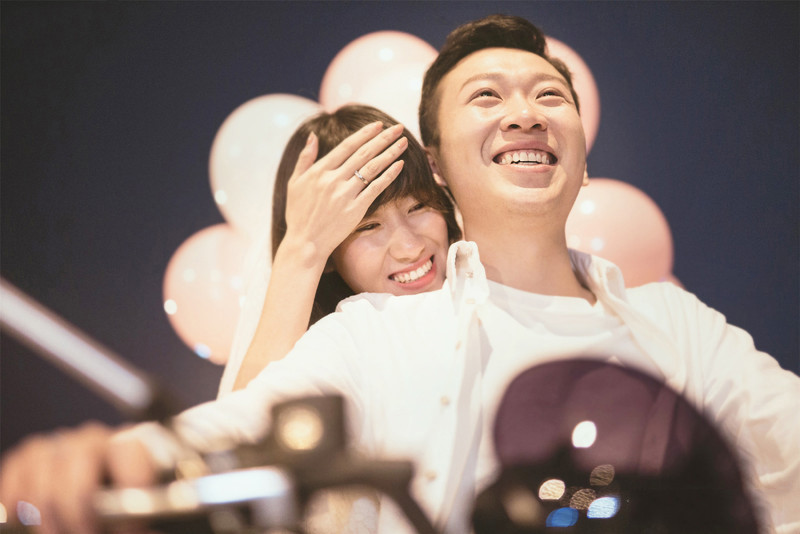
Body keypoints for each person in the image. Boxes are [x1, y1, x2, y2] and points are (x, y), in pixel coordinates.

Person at [2, 14, 799, 534]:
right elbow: (241, 435)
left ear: (581, 154)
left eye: (550, 95)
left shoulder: (681, 328)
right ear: (441, 166)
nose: (525, 112)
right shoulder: (376, 332)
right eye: (486, 97)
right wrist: (126, 462)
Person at [219, 104, 460, 394]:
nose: (410, 247)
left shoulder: (493, 288)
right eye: (368, 226)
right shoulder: (334, 354)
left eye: (418, 206)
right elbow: (252, 414)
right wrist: (303, 248)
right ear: (328, 256)